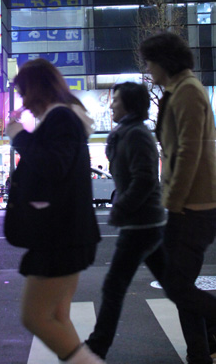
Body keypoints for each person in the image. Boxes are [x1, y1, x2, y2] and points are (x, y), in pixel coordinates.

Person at [5, 58, 102, 364]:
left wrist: (19, 135)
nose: (24, 102)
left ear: (36, 89)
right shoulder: (64, 118)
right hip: (65, 235)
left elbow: (53, 166)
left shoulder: (61, 118)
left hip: (60, 237)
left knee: (35, 317)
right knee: (58, 316)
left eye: (24, 93)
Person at [140, 31, 216, 364]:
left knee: (179, 286)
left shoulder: (187, 92)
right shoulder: (177, 90)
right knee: (179, 285)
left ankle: (202, 349)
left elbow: (188, 153)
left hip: (194, 206)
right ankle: (202, 349)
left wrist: (173, 203)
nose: (148, 69)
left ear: (164, 62)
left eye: (150, 62)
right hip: (187, 205)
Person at [85, 82, 166, 359]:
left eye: (116, 100)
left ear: (129, 104)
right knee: (176, 286)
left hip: (141, 224)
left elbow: (145, 179)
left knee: (114, 285)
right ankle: (211, 328)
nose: (111, 105)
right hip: (145, 223)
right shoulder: (127, 133)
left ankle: (97, 347)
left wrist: (121, 208)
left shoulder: (136, 135)